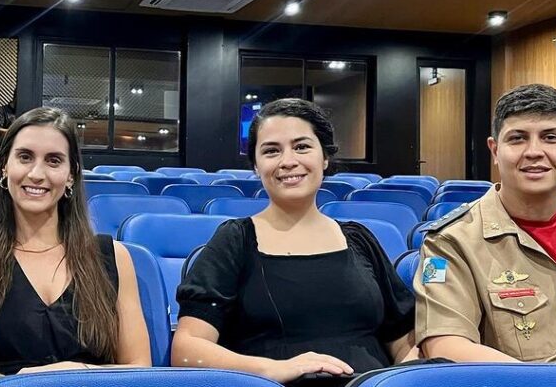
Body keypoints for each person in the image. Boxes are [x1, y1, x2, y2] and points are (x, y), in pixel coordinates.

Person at [173, 98, 417, 386]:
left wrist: (406, 375)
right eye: (271, 151)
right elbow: (187, 349)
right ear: (256, 166)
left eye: (302, 147)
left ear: (324, 158)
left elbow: (402, 340)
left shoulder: (359, 239)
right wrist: (274, 369)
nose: (288, 161)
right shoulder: (235, 240)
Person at [415, 83, 556, 373]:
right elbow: (446, 346)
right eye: (517, 138)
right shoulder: (452, 242)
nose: (534, 151)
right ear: (495, 151)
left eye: (551, 137)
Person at [0, 106, 151, 374]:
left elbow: (139, 368)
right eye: (25, 157)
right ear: (4, 167)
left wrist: (68, 373)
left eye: (53, 161)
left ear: (71, 175)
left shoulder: (113, 257)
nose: (37, 173)